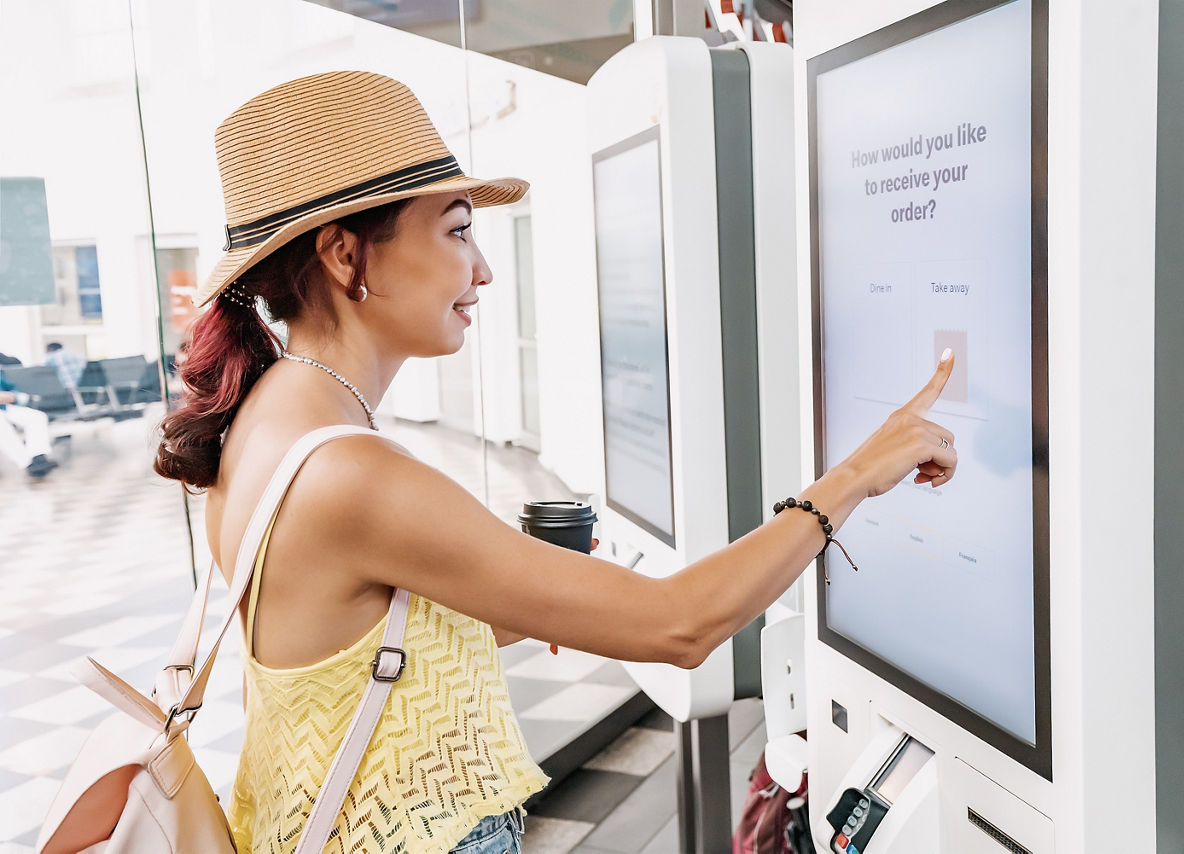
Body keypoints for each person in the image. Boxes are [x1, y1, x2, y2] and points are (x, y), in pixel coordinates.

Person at [154, 72, 957, 854]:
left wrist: (542, 595)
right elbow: (679, 626)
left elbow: (346, 643)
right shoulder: (353, 474)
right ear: (343, 254)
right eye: (458, 230)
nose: (484, 270)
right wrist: (853, 476)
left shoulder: (263, 420)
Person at [0, 372, 58, 478]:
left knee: (37, 416)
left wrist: (13, 396)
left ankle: (38, 457)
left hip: (5, 407)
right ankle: (27, 463)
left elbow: (16, 391)